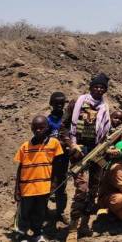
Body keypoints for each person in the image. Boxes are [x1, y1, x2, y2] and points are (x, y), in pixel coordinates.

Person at [61, 72, 113, 241]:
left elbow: (105, 133)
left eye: (102, 87)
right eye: (96, 86)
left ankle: (85, 224)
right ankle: (73, 228)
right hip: (79, 151)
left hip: (97, 152)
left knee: (93, 189)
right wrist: (71, 144)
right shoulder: (77, 102)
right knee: (81, 189)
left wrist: (108, 148)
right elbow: (64, 127)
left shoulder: (104, 108)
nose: (98, 89)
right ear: (91, 87)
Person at [14, 115, 64, 242]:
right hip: (27, 187)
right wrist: (17, 189)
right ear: (31, 128)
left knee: (40, 212)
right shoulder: (25, 147)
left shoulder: (54, 144)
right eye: (35, 128)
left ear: (47, 128)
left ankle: (37, 233)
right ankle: (22, 233)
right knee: (24, 212)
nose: (38, 130)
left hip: (43, 186)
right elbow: (20, 169)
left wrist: (54, 183)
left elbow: (57, 166)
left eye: (41, 127)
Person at [47, 91, 70, 224]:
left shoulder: (68, 119)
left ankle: (60, 212)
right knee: (48, 185)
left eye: (62, 103)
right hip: (50, 160)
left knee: (62, 186)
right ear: (51, 104)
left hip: (64, 159)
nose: (59, 105)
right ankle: (43, 210)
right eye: (56, 103)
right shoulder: (48, 121)